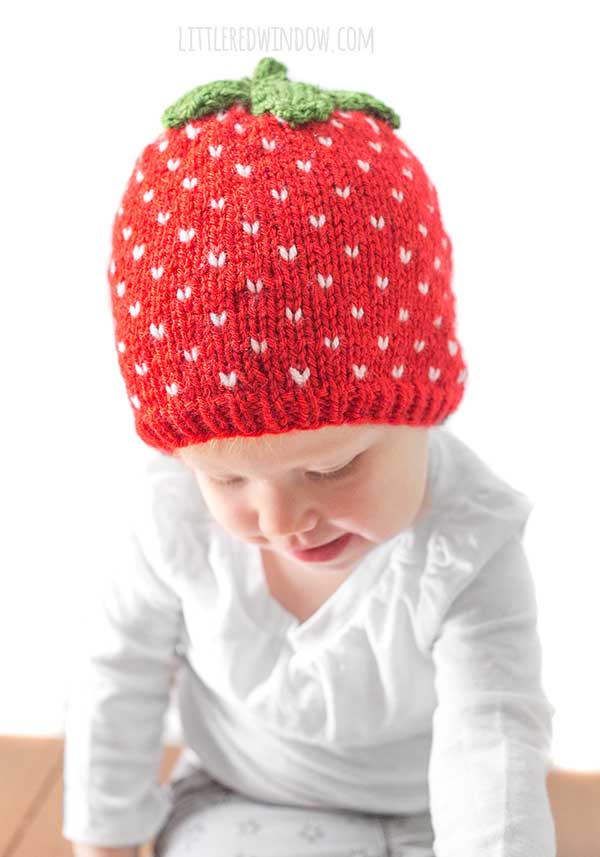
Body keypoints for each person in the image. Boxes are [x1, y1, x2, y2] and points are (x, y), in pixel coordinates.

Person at [62, 56, 560, 856]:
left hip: (431, 815)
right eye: (226, 477)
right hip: (235, 796)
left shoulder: (468, 544)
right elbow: (116, 673)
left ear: (421, 410)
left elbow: (491, 744)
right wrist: (108, 838)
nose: (280, 517)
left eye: (331, 469)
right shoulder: (170, 518)